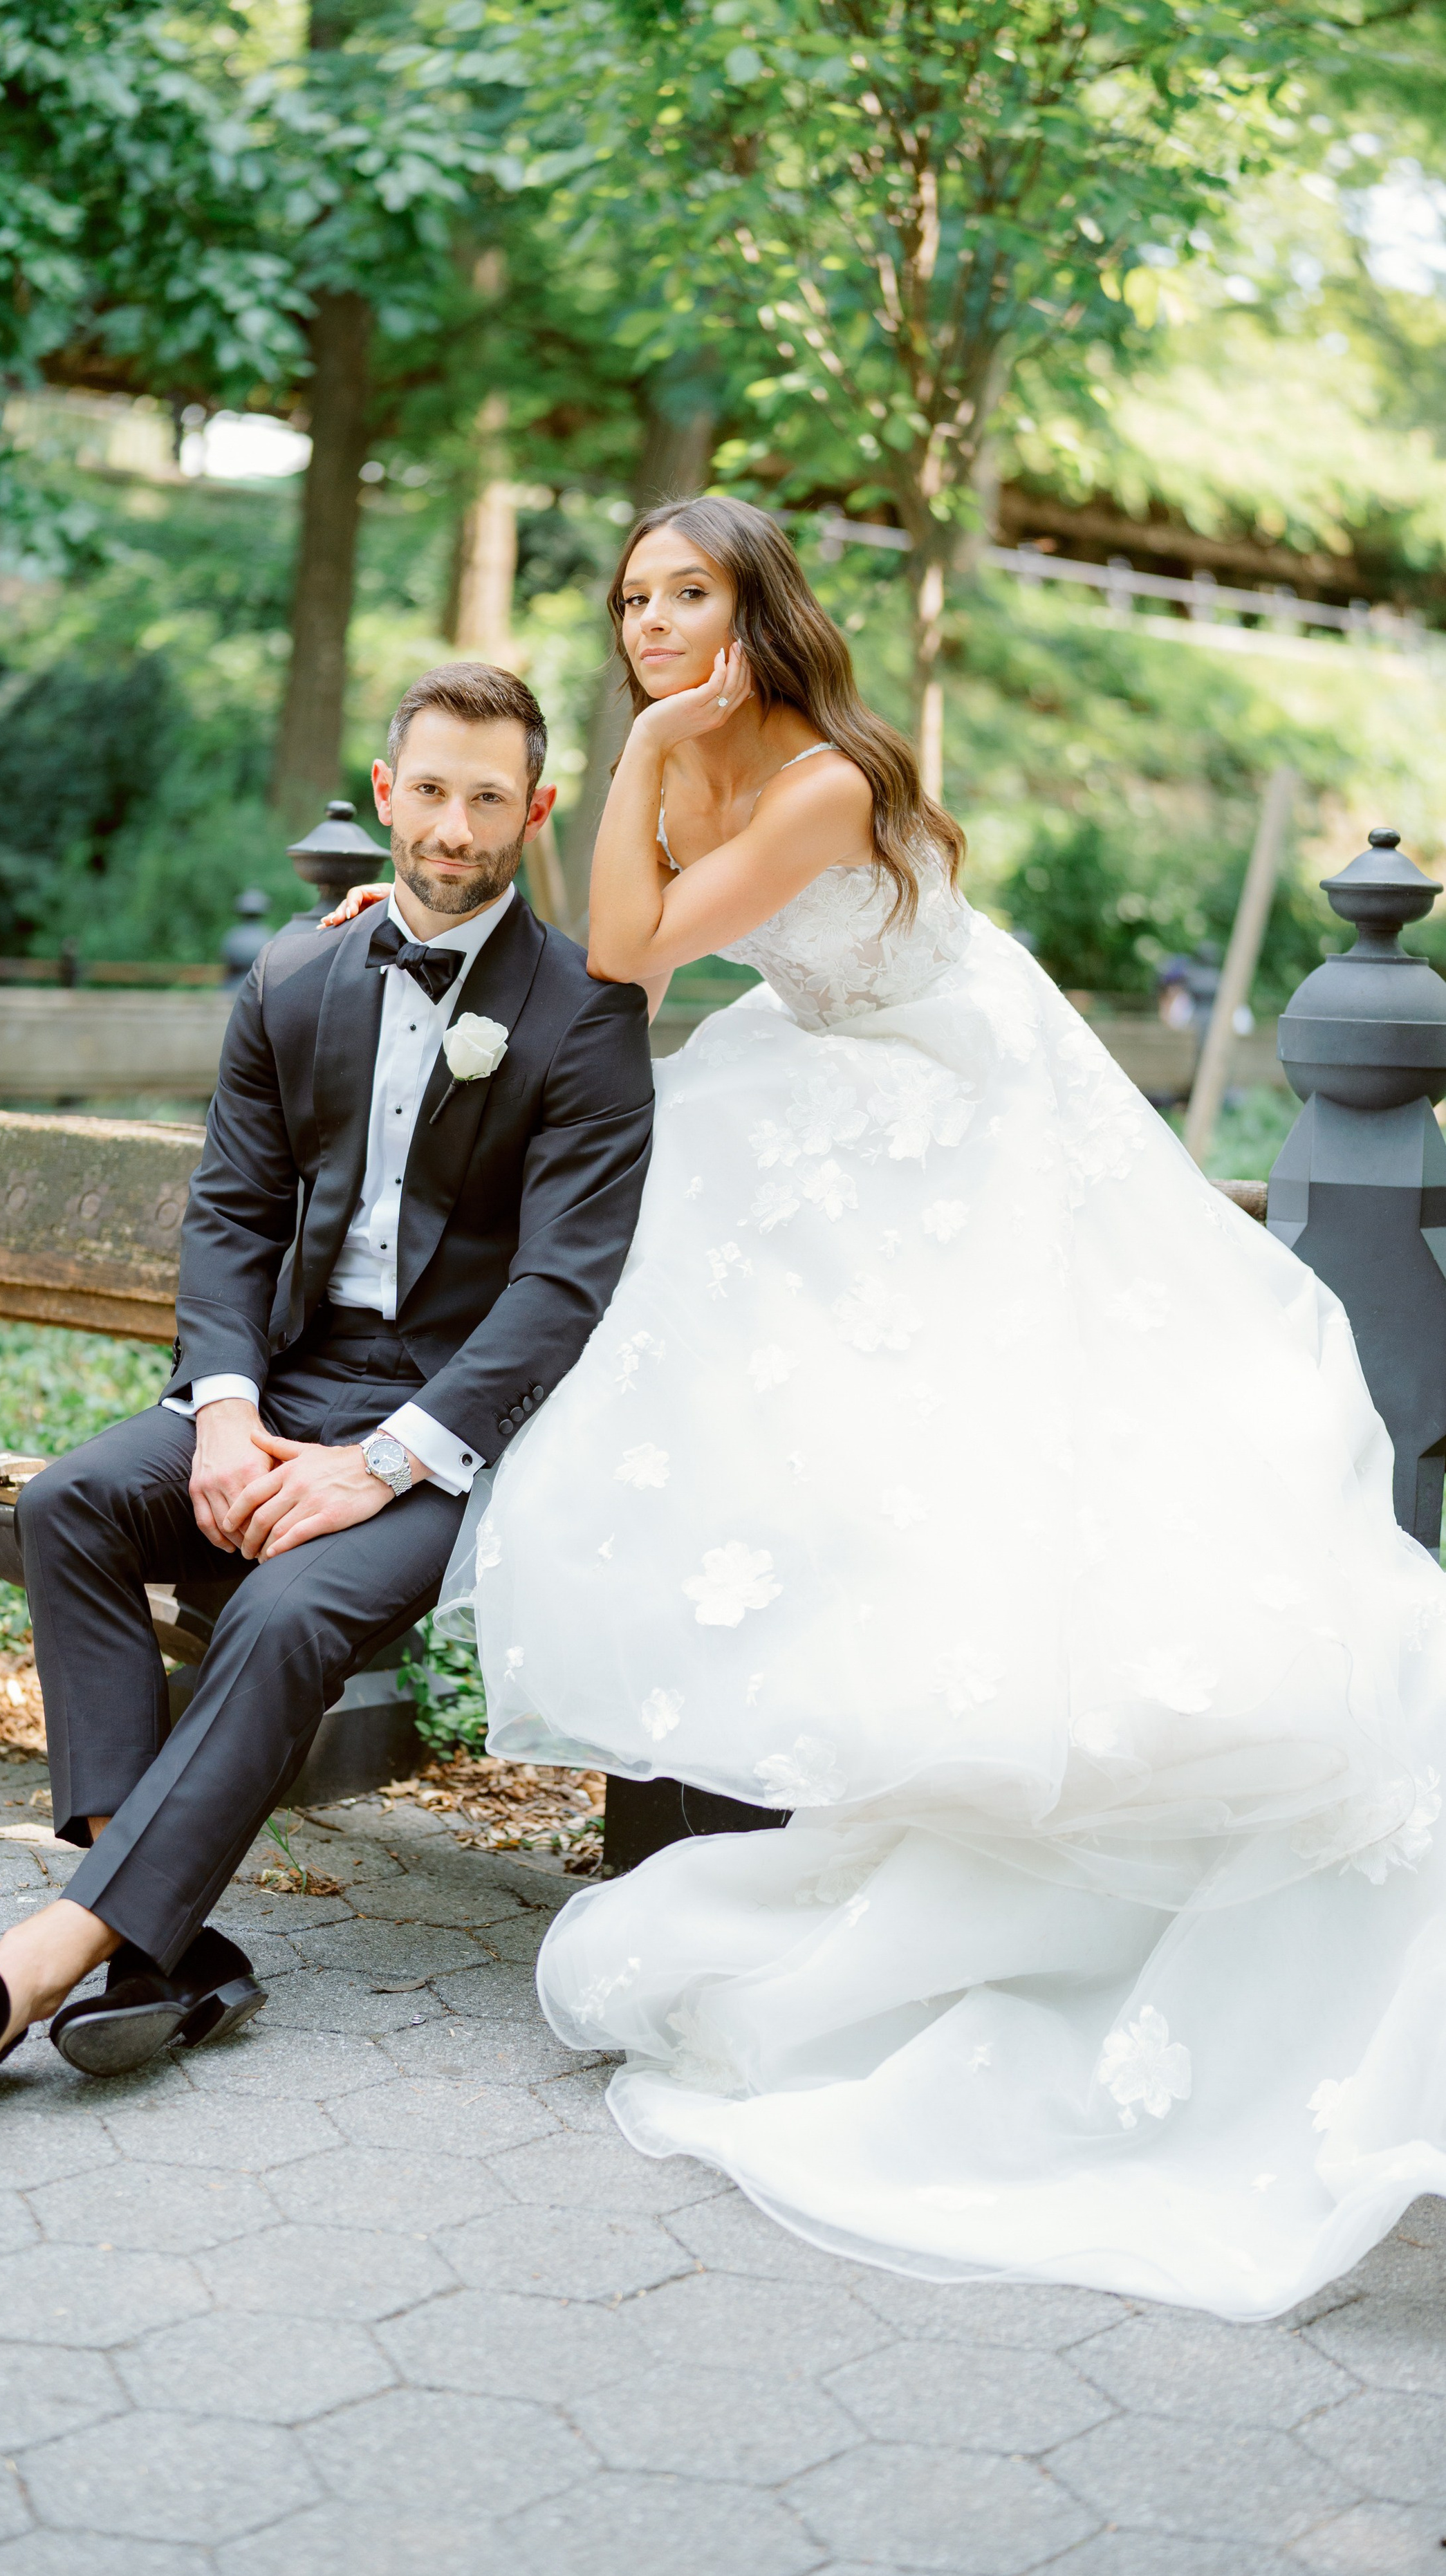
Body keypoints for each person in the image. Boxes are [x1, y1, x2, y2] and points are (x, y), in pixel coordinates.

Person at [347, 497, 1446, 2320]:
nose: (651, 621)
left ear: (756, 605)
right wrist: (611, 780)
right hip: (817, 1077)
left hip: (962, 1095)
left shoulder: (837, 781)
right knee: (709, 1283)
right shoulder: (687, 769)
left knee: (1009, 1445)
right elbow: (615, 938)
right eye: (631, 598)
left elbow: (625, 960)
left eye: (686, 593)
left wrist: (643, 766)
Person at [0, 662, 654, 2096]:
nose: (454, 825)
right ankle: (156, 1953)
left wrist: (377, 1464)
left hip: (458, 1431)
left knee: (292, 1606)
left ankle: (34, 1964)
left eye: (490, 797)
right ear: (384, 794)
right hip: (285, 1387)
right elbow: (234, 1210)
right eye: (428, 789)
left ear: (536, 811)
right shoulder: (298, 972)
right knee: (71, 1505)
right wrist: (227, 1415)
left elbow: (560, 1288)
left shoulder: (583, 1015)